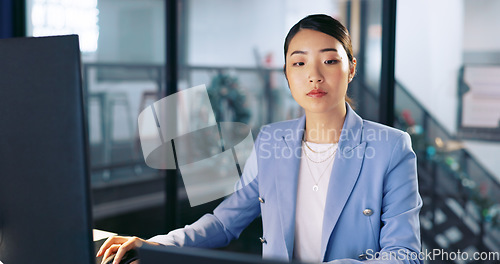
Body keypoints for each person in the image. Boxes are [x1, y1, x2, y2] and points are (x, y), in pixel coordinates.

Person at [97, 14, 422, 264]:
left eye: (329, 60)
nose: (314, 75)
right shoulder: (272, 141)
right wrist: (161, 244)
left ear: (351, 68)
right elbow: (225, 222)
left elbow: (404, 253)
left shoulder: (390, 148)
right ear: (286, 74)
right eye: (299, 62)